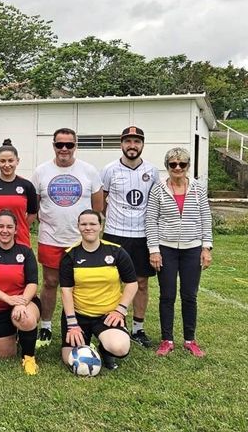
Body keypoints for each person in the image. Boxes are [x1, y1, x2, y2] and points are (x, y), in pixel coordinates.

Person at [31, 128, 103, 347]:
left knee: (81, 284)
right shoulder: (41, 171)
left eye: (69, 145)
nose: (64, 149)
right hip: (51, 238)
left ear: (75, 146)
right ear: (53, 145)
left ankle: (84, 326)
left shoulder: (89, 171)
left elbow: (98, 207)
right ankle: (45, 326)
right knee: (51, 282)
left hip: (80, 241)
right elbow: (33, 207)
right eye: (59, 144)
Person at [146, 147, 213, 357]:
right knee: (167, 296)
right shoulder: (158, 189)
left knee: (189, 296)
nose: (177, 168)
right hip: (166, 249)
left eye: (182, 164)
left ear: (188, 166)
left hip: (192, 249)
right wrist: (154, 250)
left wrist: (206, 247)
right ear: (167, 167)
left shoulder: (198, 189)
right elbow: (151, 221)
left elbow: (205, 217)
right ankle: (167, 339)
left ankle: (190, 339)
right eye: (173, 164)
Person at [100, 126, 160, 348]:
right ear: (121, 144)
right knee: (112, 281)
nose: (132, 146)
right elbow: (101, 200)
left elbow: (155, 203)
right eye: (128, 141)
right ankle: (115, 323)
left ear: (142, 144)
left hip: (142, 236)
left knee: (141, 283)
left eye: (136, 141)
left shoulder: (152, 172)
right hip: (115, 234)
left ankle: (138, 329)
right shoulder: (109, 170)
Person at [60, 210, 138, 371]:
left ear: (100, 227)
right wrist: (72, 324)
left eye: (93, 224)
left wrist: (120, 311)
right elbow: (66, 291)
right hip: (79, 316)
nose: (88, 228)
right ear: (78, 227)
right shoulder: (70, 256)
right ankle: (86, 341)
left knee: (120, 348)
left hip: (108, 316)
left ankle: (105, 349)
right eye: (84, 224)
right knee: (69, 359)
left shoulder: (116, 252)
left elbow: (132, 284)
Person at [0, 139, 38, 348]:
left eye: (10, 160)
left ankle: (23, 318)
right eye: (2, 161)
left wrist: (18, 228)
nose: (7, 164)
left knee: (21, 280)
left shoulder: (26, 186)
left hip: (20, 239)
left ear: (17, 161)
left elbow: (32, 213)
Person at [0, 210, 41, 376]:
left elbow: (32, 283)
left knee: (25, 318)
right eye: (1, 226)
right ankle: (17, 335)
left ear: (16, 229)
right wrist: (8, 299)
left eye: (9, 227)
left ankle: (29, 357)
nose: (5, 230)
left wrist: (21, 302)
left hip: (24, 302)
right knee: (5, 354)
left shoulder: (26, 251)